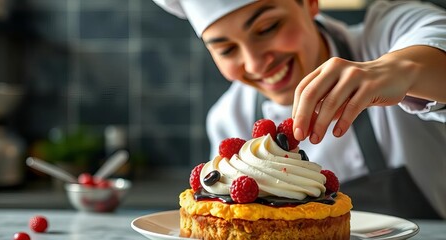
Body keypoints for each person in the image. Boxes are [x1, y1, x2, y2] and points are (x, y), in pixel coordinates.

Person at [152, 0, 446, 219]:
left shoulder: (387, 34)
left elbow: (434, 40)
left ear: (310, 3)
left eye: (267, 28)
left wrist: (397, 70)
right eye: (227, 49)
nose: (255, 63)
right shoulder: (230, 117)